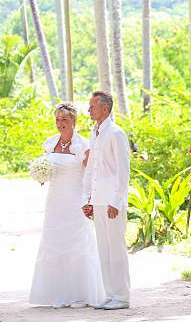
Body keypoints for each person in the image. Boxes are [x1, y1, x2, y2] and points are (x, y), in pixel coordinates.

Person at [29, 103, 106, 308]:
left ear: (74, 121)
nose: (60, 123)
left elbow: (90, 174)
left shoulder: (82, 145)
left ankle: (79, 292)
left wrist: (90, 200)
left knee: (77, 243)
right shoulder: (50, 143)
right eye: (57, 119)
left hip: (75, 200)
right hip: (54, 201)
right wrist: (41, 175)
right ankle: (56, 293)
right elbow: (47, 169)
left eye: (64, 119)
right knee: (53, 243)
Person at [82, 91, 131, 310]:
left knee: (116, 248)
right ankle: (110, 294)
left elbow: (123, 170)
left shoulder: (115, 133)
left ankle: (122, 296)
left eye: (92, 107)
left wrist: (116, 200)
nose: (88, 110)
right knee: (103, 247)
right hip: (99, 198)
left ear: (105, 109)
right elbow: (92, 168)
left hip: (112, 201)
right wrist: (88, 198)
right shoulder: (95, 133)